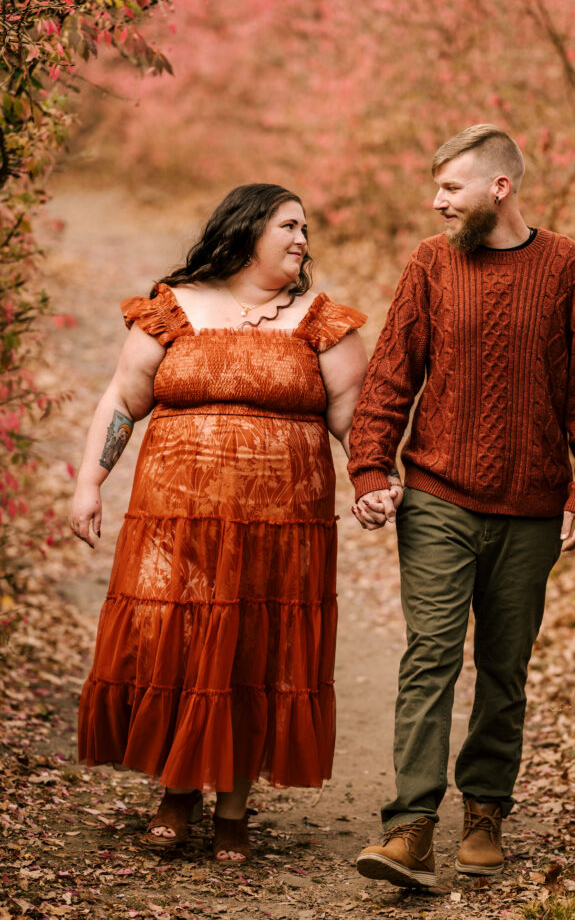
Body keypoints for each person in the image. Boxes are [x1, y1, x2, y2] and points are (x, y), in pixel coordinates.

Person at [348, 125, 575, 887]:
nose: (436, 202)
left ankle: (486, 810)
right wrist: (370, 468)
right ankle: (409, 827)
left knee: (504, 667)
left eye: (450, 188)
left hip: (532, 507)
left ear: (499, 187)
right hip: (437, 494)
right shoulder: (430, 264)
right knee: (429, 654)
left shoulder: (567, 267)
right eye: (436, 188)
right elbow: (390, 374)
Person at [71, 184, 367, 864]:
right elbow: (123, 398)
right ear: (247, 228)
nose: (301, 239)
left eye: (304, 229)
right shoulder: (171, 310)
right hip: (174, 519)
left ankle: (233, 806)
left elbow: (355, 418)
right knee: (176, 642)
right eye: (288, 225)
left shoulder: (321, 323)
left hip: (281, 526)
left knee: (254, 653)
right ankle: (176, 793)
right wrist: (90, 481)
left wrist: (373, 483)